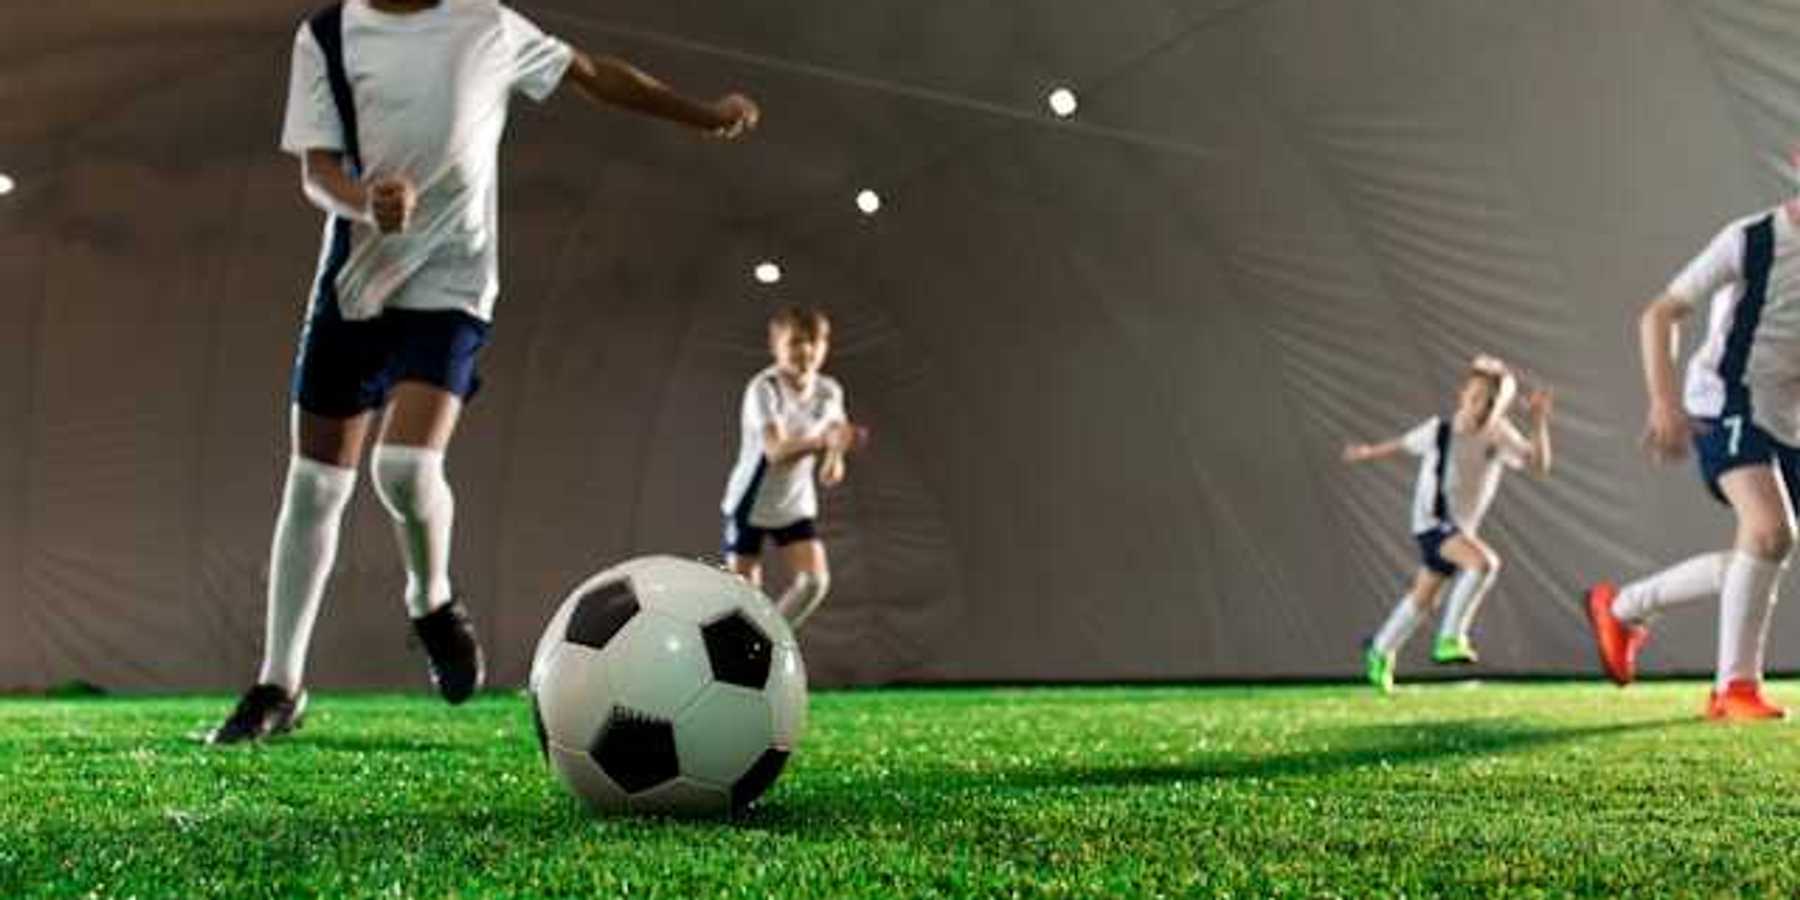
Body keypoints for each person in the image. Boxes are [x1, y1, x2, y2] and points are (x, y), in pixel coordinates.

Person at [209, 0, 760, 744]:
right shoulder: (329, 35)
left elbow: (592, 73)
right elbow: (317, 171)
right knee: (314, 486)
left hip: (452, 285)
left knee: (404, 468)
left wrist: (702, 113)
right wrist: (364, 202)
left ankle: (432, 600)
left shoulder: (487, 25)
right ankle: (278, 685)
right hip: (357, 281)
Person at [1586, 196, 1800, 721]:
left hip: (1789, 415)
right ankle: (1734, 689)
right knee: (1770, 532)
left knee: (1758, 556)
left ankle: (1622, 607)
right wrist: (1664, 402)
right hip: (1726, 397)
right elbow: (1660, 313)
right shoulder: (1752, 239)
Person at [1343, 355, 1553, 692]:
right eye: (1475, 398)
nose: (1481, 409)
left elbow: (1539, 467)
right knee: (1484, 564)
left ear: (1501, 408)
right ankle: (1451, 637)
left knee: (1423, 598)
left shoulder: (1499, 435)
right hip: (1433, 523)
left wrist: (1539, 422)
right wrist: (1367, 452)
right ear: (1462, 396)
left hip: (1460, 530)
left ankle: (1380, 650)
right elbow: (1401, 444)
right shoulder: (1438, 431)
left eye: (1491, 403)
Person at [721, 306, 867, 630]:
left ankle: (772, 641)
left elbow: (831, 471)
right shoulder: (764, 388)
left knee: (814, 583)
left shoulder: (829, 391)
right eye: (796, 342)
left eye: (814, 341)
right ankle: (742, 651)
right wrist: (823, 440)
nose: (806, 350)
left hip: (794, 504)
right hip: (751, 503)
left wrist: (836, 450)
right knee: (745, 604)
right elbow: (775, 451)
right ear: (776, 346)